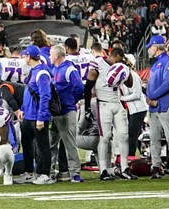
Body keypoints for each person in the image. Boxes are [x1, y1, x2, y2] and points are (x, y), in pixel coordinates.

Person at [93, 47, 136, 181]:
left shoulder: (122, 66)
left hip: (117, 103)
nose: (119, 62)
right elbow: (89, 81)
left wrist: (127, 70)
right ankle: (103, 169)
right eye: (119, 59)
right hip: (103, 103)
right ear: (113, 56)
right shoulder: (99, 63)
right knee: (105, 137)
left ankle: (124, 168)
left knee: (123, 135)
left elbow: (130, 84)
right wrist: (89, 106)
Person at [145, 35, 169, 179]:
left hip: (164, 104)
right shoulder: (160, 63)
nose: (149, 50)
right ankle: (156, 165)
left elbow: (168, 83)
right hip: (156, 106)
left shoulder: (168, 62)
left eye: (151, 47)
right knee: (155, 138)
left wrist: (151, 96)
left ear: (156, 47)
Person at [17, 46, 53, 185]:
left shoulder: (42, 72)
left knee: (42, 145)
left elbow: (45, 96)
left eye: (24, 56)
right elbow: (29, 94)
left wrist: (41, 117)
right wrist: (23, 109)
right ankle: (29, 172)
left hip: (37, 115)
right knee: (27, 144)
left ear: (28, 56)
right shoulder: (35, 71)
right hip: (29, 115)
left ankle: (45, 174)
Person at [48, 45, 84, 183]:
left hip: (66, 112)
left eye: (51, 54)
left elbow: (79, 87)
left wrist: (71, 101)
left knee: (69, 144)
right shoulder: (55, 69)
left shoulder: (69, 69)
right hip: (55, 112)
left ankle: (75, 173)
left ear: (57, 56)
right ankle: (50, 172)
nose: (50, 57)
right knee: (52, 144)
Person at [120, 54, 148, 158]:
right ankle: (143, 153)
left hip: (139, 109)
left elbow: (137, 94)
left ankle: (130, 156)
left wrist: (122, 99)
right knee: (136, 133)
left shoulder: (134, 76)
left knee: (132, 133)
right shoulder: (124, 76)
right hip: (132, 109)